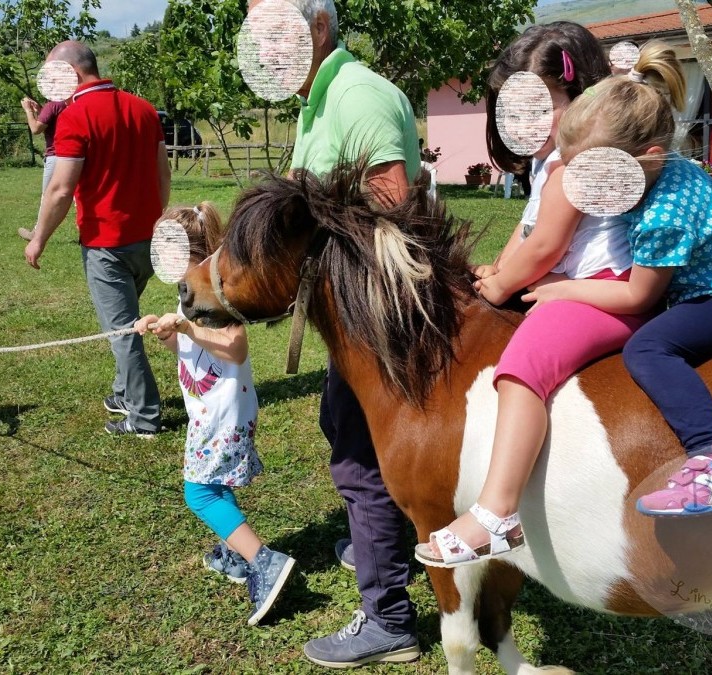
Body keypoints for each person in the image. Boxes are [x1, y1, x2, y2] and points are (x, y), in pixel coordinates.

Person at [524, 41, 712, 517]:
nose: (584, 191)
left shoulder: (660, 215)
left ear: (647, 157)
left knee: (648, 349)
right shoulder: (673, 172)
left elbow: (637, 294)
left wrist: (561, 288)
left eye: (598, 175)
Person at [416, 23, 643, 567]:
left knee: (524, 365)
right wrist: (496, 269)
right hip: (574, 279)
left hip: (603, 287)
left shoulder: (573, 163)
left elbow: (545, 246)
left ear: (582, 94)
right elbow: (526, 231)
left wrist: (502, 281)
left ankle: (497, 513)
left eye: (541, 107)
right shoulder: (549, 160)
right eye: (514, 113)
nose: (526, 124)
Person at [247, 0, 420, 666]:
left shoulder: (357, 95)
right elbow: (298, 196)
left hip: (375, 313)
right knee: (342, 427)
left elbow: (391, 200)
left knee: (357, 458)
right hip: (350, 317)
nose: (264, 52)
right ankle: (385, 543)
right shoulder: (316, 101)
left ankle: (388, 617)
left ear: (318, 28)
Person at [134, 203, 296, 626]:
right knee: (214, 482)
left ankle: (264, 561)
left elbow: (236, 347)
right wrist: (167, 333)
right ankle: (235, 549)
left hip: (222, 413)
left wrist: (188, 327)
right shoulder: (187, 292)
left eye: (173, 253)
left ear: (198, 251)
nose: (167, 263)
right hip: (208, 410)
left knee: (199, 492)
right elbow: (188, 352)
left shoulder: (222, 292)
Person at [24, 41, 170, 438]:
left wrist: (38, 239)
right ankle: (124, 393)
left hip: (107, 247)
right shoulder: (144, 109)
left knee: (122, 332)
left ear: (71, 72)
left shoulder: (74, 117)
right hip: (148, 241)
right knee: (125, 321)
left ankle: (143, 418)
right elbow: (163, 176)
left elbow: (59, 190)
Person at [18, 96, 68, 241]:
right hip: (74, 156)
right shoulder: (69, 103)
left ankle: (36, 234)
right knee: (78, 196)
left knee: (47, 196)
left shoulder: (52, 105)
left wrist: (28, 111)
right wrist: (40, 110)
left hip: (55, 157)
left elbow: (35, 129)